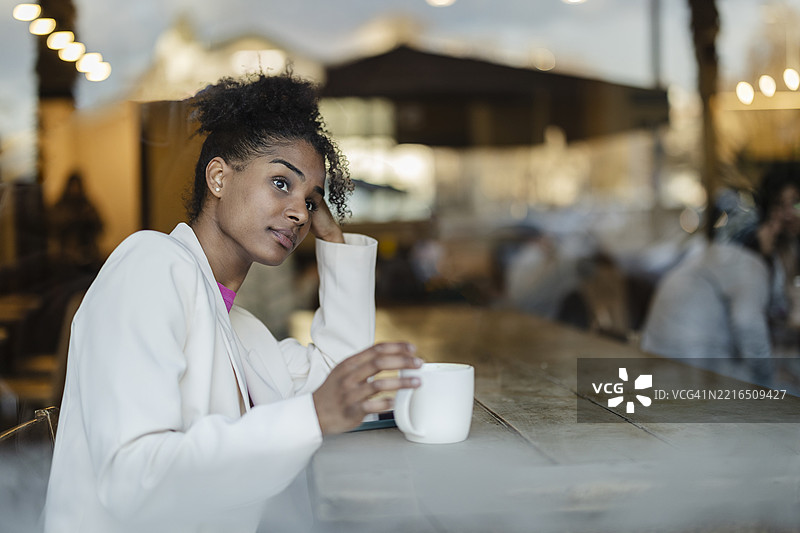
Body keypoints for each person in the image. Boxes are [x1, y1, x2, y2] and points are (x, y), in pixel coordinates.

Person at [43, 72, 422, 533]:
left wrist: (335, 244)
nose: (300, 213)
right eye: (281, 183)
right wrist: (311, 416)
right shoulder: (150, 263)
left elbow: (341, 378)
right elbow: (133, 479)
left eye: (311, 200)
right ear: (219, 177)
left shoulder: (242, 330)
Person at [641, 165, 800, 385]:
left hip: (658, 361)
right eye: (778, 207)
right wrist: (768, 382)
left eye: (796, 204)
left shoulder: (720, 250)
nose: (787, 215)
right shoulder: (749, 258)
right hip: (693, 369)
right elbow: (749, 325)